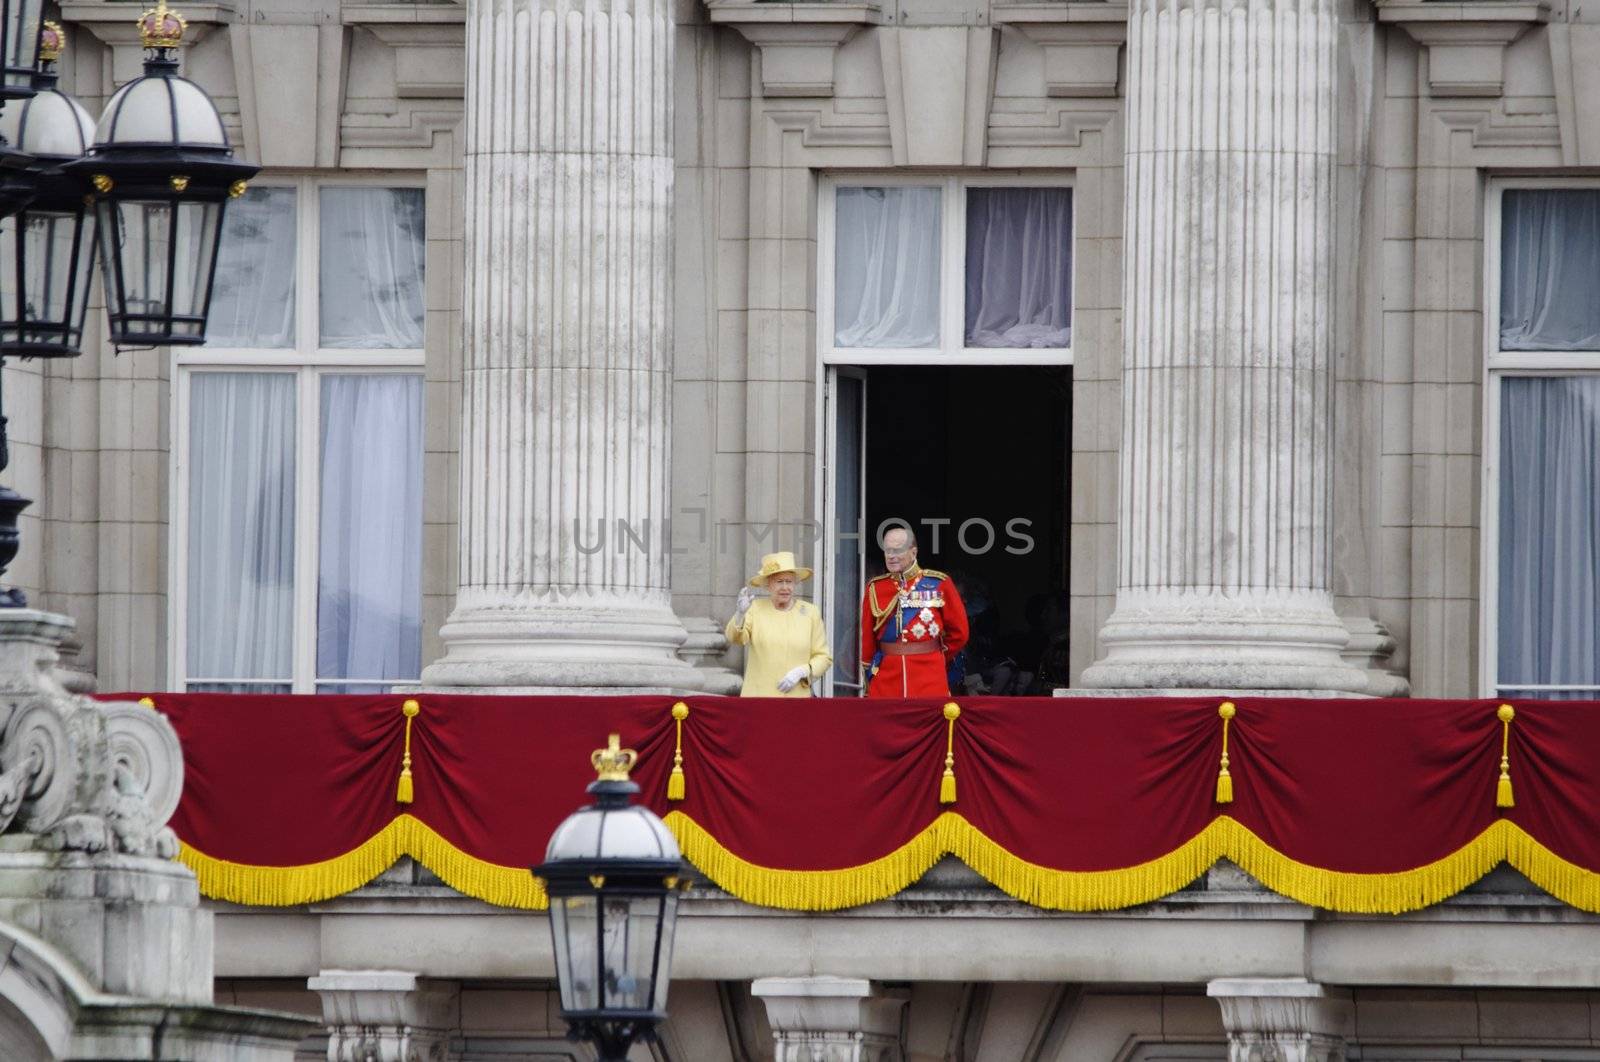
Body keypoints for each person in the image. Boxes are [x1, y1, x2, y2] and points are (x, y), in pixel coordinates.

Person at [859, 526, 969, 697]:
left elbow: (960, 633)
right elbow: (867, 639)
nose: (891, 555)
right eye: (887, 550)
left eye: (897, 550)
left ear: (913, 552)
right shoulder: (875, 588)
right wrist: (869, 672)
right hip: (886, 682)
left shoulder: (940, 583)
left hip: (929, 679)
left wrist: (934, 658)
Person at [726, 551, 832, 697]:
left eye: (789, 582)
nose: (785, 587)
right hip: (759, 699)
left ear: (795, 584)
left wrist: (802, 671)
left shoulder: (810, 612)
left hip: (797, 700)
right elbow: (735, 638)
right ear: (768, 585)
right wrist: (740, 614)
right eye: (779, 581)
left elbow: (823, 657)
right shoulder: (755, 609)